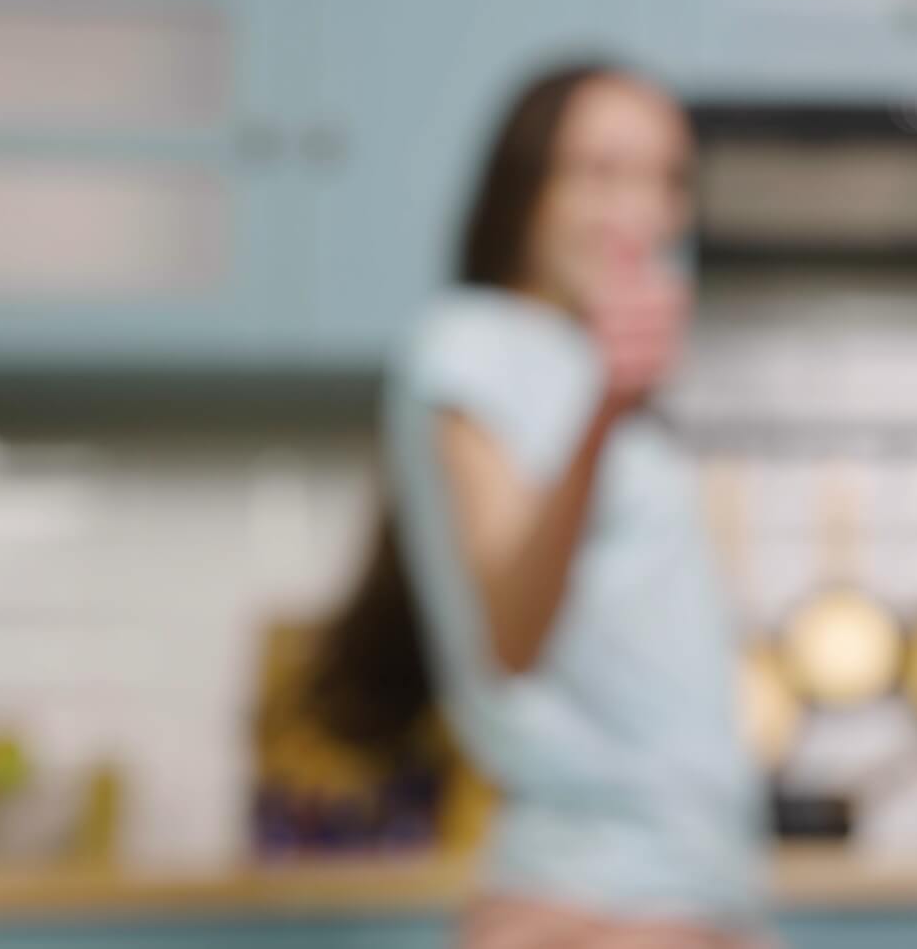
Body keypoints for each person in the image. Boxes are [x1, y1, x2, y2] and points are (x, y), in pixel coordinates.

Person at [310, 63, 766, 948]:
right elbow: (511, 632)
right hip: (601, 886)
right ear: (525, 188)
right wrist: (603, 409)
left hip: (691, 880)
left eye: (666, 178)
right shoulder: (471, 345)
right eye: (600, 172)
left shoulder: (589, 372)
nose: (641, 211)